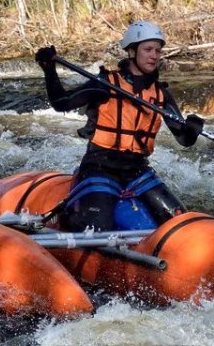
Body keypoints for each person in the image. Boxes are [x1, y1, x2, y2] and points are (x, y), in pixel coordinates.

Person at [34, 20, 204, 231]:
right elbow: (61, 103)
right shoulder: (106, 84)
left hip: (137, 170)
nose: (154, 55)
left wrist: (193, 129)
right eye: (148, 49)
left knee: (180, 224)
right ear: (132, 52)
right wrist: (49, 70)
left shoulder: (160, 93)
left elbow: (184, 139)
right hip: (99, 167)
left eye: (158, 51)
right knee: (98, 226)